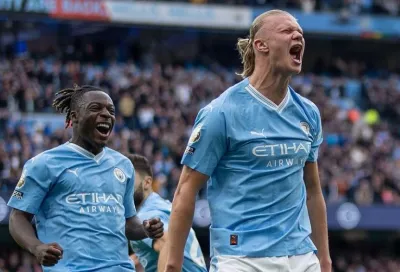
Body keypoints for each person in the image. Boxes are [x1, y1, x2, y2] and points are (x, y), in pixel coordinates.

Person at [163, 9, 331, 272]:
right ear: (260, 45)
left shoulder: (308, 112)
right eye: (287, 31)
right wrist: (172, 264)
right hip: (241, 258)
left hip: (300, 256)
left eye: (300, 33)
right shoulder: (221, 112)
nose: (298, 35)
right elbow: (185, 190)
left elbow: (313, 190)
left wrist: (324, 258)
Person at [7, 85, 164, 271]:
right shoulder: (44, 163)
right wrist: (36, 247)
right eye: (96, 108)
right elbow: (17, 218)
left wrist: (145, 229)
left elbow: (128, 223)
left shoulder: (123, 165)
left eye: (111, 110)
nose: (106, 114)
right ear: (74, 116)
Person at [126, 153, 207, 272]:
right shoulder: (166, 207)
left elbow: (166, 242)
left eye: (129, 180)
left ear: (147, 183)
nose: (123, 187)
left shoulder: (145, 216)